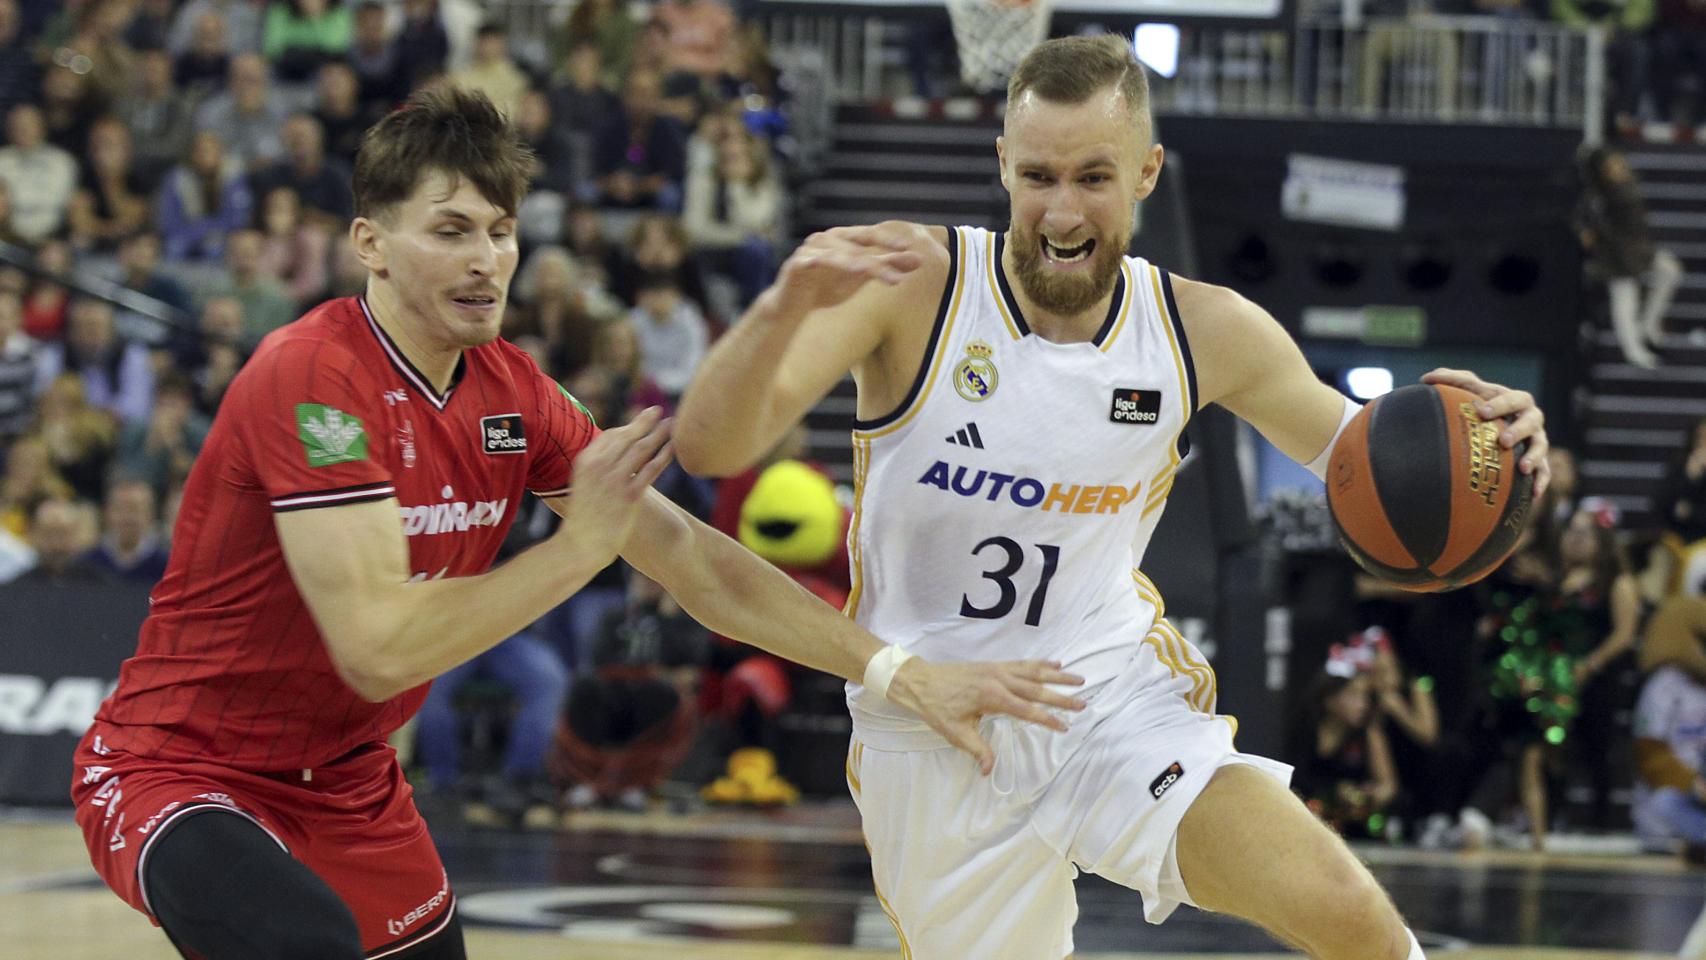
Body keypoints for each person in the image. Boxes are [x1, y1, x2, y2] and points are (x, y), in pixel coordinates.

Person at [68, 85, 1079, 960]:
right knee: (301, 949)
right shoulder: (311, 377)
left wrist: (896, 671)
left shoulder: (516, 397)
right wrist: (580, 546)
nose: (486, 260)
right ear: (370, 245)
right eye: (451, 230)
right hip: (180, 765)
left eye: (501, 231)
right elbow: (377, 650)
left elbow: (695, 564)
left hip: (345, 782)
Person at [674, 35, 1553, 960]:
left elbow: (1358, 455)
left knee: (1349, 914)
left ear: (1146, 172)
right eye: (1039, 176)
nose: (1061, 210)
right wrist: (776, 313)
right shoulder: (911, 287)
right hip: (936, 726)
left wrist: (1477, 440)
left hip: (1106, 701)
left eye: (1093, 177)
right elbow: (709, 445)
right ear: (1002, 166)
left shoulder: (1203, 328)